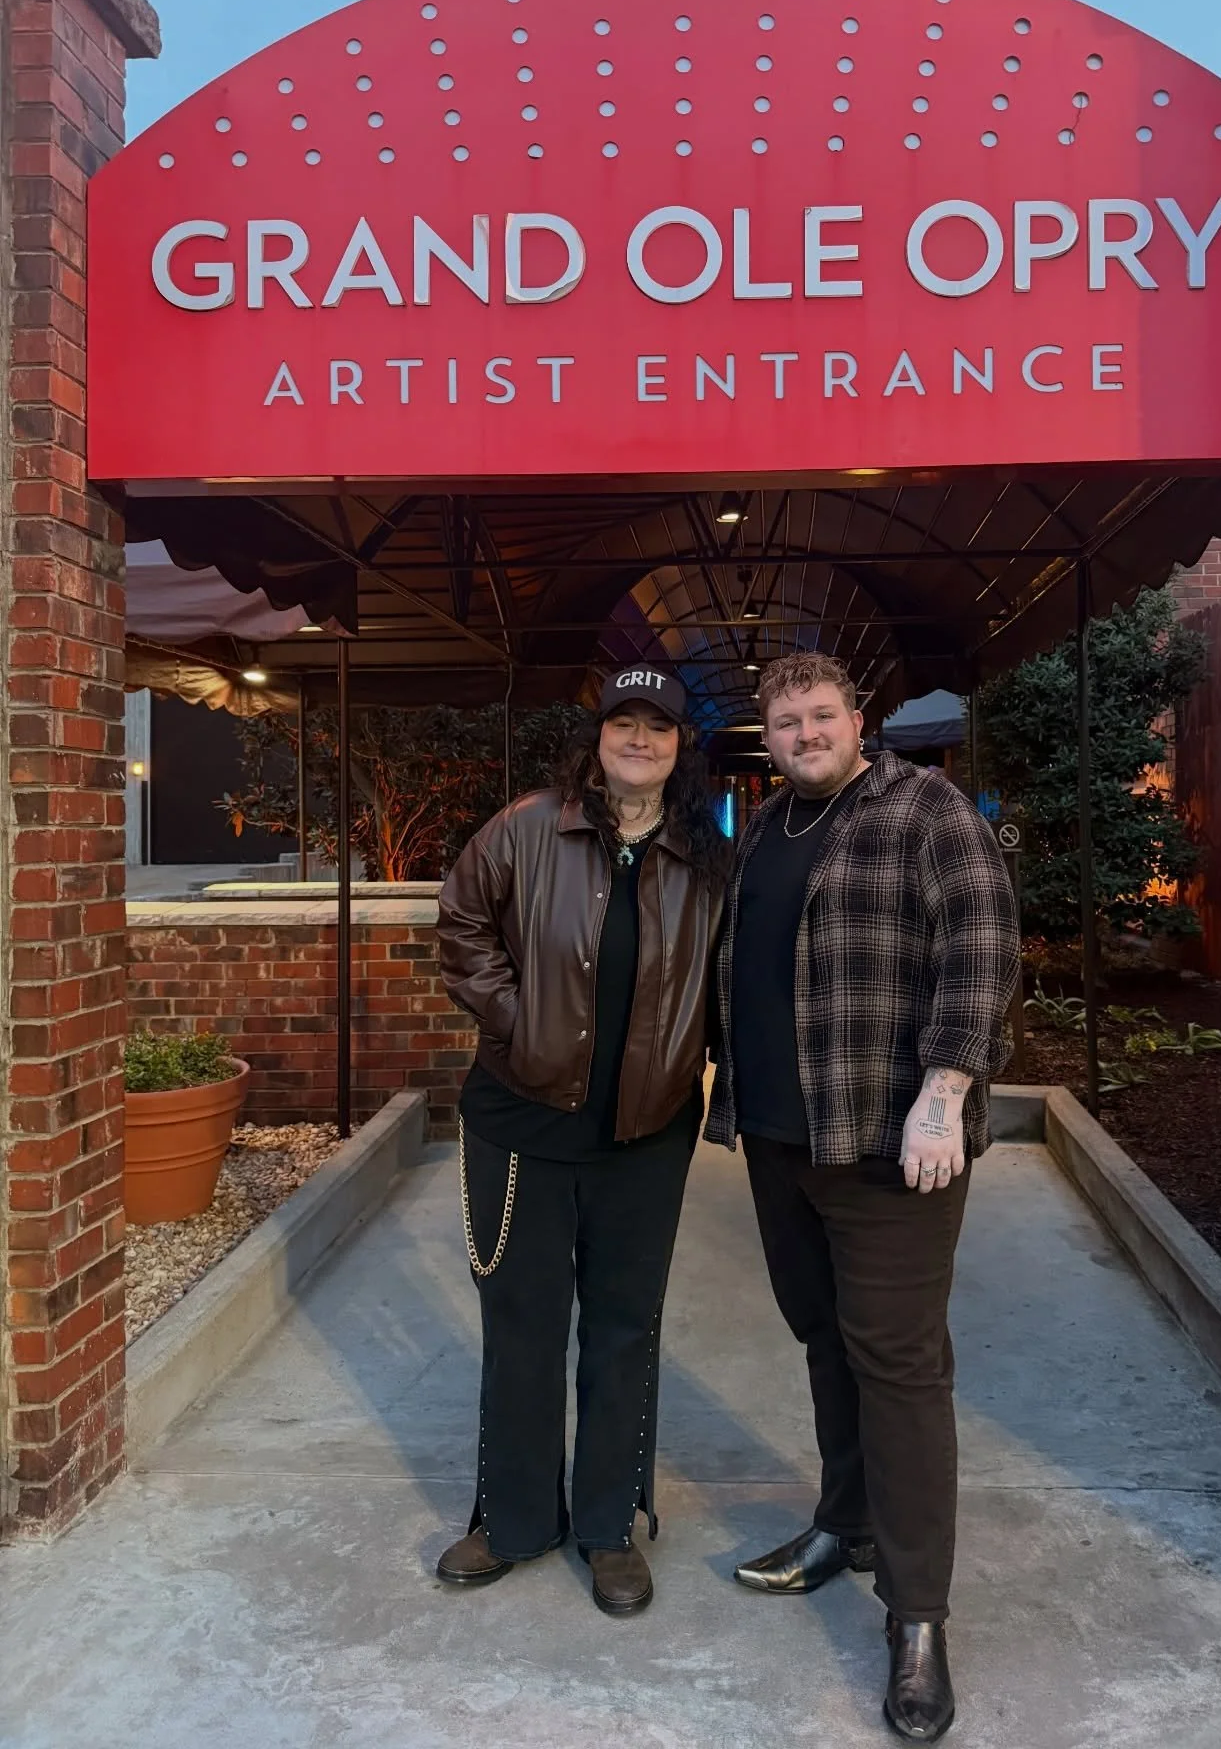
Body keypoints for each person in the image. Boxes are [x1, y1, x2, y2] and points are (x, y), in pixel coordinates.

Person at [708, 651, 1019, 1743]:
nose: (804, 733)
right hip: (783, 1140)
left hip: (892, 1144)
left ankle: (918, 1620)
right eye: (785, 722)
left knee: (898, 1364)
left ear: (859, 720)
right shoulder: (764, 830)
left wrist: (947, 1087)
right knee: (824, 1340)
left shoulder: (922, 808)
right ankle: (847, 1524)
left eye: (821, 715)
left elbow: (981, 946)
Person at [434, 664, 728, 1617]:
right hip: (521, 1121)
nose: (638, 740)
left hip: (646, 1134)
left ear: (682, 748)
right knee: (522, 1327)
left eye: (659, 729)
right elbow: (461, 924)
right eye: (623, 723)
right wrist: (519, 1024)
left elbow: (726, 984)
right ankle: (513, 1519)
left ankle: (608, 1525)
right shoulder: (528, 828)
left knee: (622, 1328)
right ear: (597, 736)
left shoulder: (701, 857)